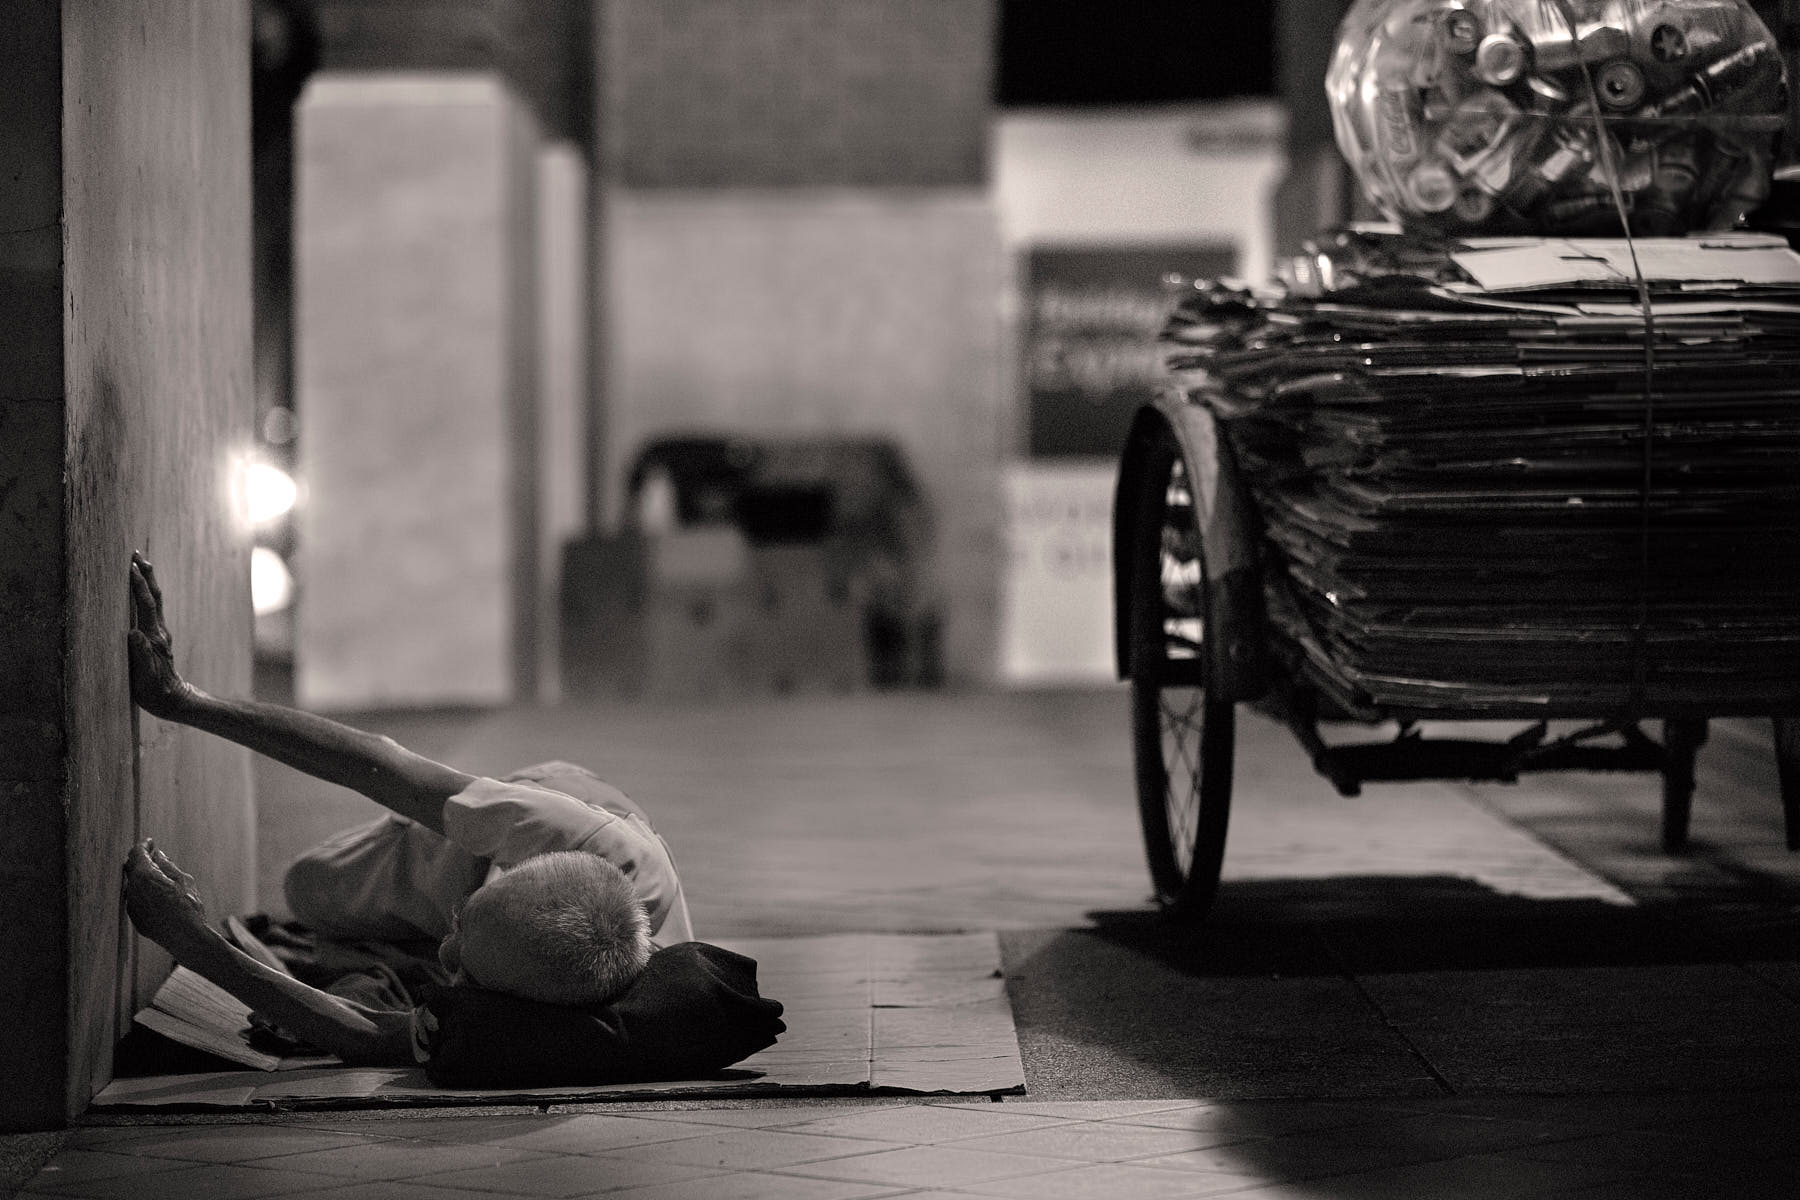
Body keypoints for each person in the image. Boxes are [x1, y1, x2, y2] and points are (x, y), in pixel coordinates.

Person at [121, 552, 692, 1065]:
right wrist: (181, 699)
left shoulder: (545, 1028)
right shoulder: (567, 831)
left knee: (377, 953)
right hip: (556, 799)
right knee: (310, 887)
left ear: (521, 1002)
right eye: (461, 923)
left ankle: (402, 957)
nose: (449, 950)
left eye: (465, 965)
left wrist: (188, 939)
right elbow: (380, 765)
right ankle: (425, 934)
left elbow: (365, 1037)